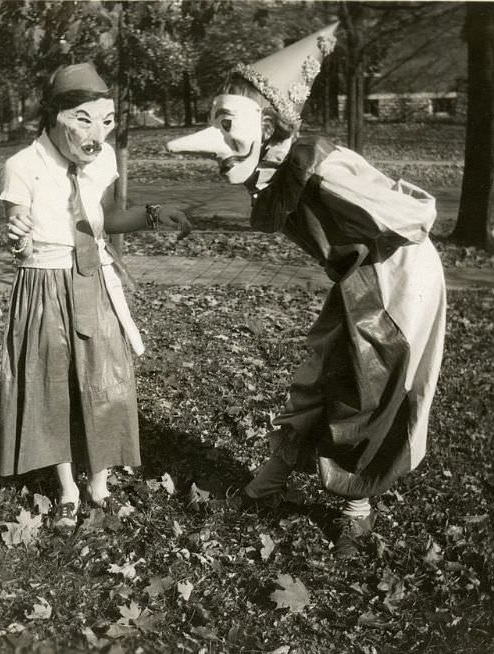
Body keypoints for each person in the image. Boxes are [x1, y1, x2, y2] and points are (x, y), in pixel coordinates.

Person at [168, 23, 446, 557]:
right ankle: (270, 480)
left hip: (397, 276)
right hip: (358, 277)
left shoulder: (320, 167)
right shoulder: (276, 171)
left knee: (369, 390)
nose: (218, 144)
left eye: (230, 125)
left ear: (268, 124)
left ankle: (356, 510)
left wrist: (374, 254)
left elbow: (416, 215)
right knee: (318, 372)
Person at [0, 62, 191, 532]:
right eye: (83, 119)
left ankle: (99, 481)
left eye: (106, 121)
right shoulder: (22, 166)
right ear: (55, 115)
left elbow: (104, 220)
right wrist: (18, 235)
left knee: (107, 377)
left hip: (94, 278)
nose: (96, 133)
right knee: (53, 384)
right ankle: (66, 486)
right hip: (45, 281)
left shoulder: (102, 160)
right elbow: (19, 244)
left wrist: (153, 214)